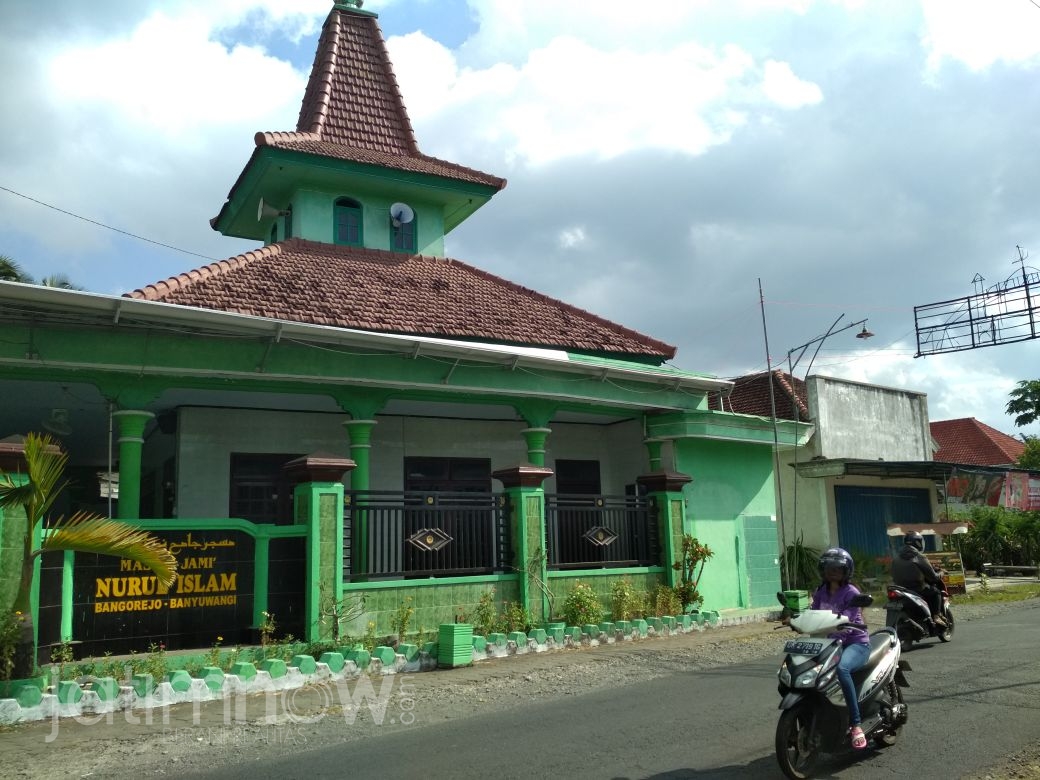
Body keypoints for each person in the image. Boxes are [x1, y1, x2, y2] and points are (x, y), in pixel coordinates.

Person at [812, 547, 871, 750]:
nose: (833, 571)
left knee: (842, 669)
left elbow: (850, 621)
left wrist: (831, 635)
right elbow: (813, 615)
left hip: (855, 643)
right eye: (829, 568)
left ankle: (855, 725)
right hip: (831, 643)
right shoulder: (821, 591)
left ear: (846, 571)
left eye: (837, 568)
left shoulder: (851, 592)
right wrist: (796, 620)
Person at [891, 531, 946, 626]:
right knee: (936, 592)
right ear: (918, 542)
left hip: (901, 589)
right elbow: (933, 578)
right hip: (918, 589)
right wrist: (941, 572)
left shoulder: (896, 557)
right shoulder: (919, 557)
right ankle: (936, 616)